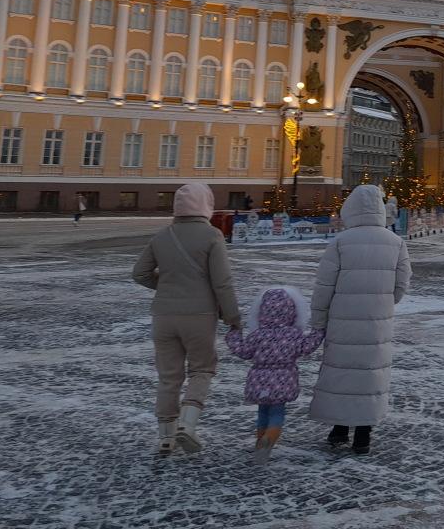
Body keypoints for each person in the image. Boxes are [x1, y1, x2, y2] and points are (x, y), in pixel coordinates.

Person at [132, 183, 240, 455]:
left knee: (169, 377)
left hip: (163, 316)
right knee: (202, 369)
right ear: (206, 205)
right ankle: (187, 425)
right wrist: (232, 316)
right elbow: (222, 282)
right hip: (200, 315)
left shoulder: (162, 236)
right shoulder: (212, 236)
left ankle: (166, 437)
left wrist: (168, 287)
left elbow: (140, 274)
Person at [308, 185, 412, 456]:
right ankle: (363, 435)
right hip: (377, 322)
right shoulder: (396, 242)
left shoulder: (340, 242)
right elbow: (401, 284)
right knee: (370, 375)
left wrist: (318, 320)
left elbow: (323, 287)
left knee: (343, 372)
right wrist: (383, 302)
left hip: (342, 320)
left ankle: (340, 428)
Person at [226, 287, 325, 464]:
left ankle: (259, 441)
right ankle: (269, 440)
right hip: (284, 380)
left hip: (259, 380)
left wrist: (234, 334)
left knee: (263, 411)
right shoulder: (293, 335)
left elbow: (243, 351)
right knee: (277, 413)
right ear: (292, 312)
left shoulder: (257, 335)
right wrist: (319, 331)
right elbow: (307, 346)